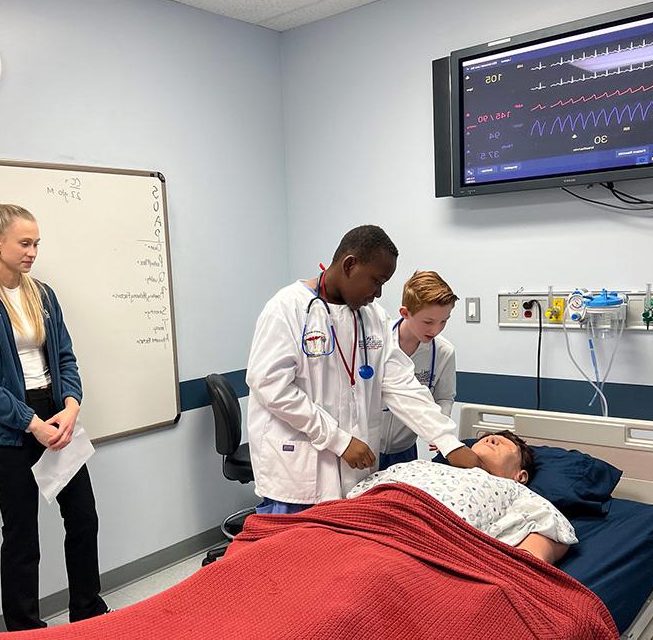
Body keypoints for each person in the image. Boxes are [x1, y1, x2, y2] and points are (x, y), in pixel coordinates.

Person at [245, 225, 482, 514]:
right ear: (349, 265)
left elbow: (401, 384)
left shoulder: (373, 318)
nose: (379, 293)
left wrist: (447, 441)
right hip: (298, 476)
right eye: (376, 280)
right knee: (287, 555)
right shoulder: (287, 309)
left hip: (355, 477)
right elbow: (272, 387)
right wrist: (339, 440)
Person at [0, 201, 109, 631]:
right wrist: (31, 424)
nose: (32, 251)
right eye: (24, 243)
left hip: (55, 417)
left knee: (83, 518)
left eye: (37, 243)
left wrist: (71, 406)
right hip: (9, 428)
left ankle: (88, 614)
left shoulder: (43, 293)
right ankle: (24, 627)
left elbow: (65, 357)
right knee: (21, 538)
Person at [348, 430, 576, 564]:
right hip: (361, 526)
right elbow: (357, 497)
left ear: (521, 475)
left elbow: (550, 528)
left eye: (502, 443)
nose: (491, 439)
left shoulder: (514, 490)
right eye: (486, 438)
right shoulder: (419, 466)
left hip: (419, 545)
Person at [378, 270, 459, 470]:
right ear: (405, 313)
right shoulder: (377, 344)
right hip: (368, 446)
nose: (436, 330)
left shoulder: (443, 352)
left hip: (405, 448)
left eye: (444, 321)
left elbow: (445, 397)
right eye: (428, 322)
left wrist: (441, 425)